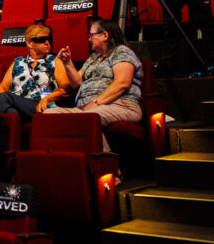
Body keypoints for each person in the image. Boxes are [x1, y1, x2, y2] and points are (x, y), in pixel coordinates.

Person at [46, 19, 144, 150]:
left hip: (122, 104)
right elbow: (76, 82)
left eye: (91, 35)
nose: (89, 39)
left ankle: (106, 165)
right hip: (87, 108)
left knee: (87, 119)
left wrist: (96, 103)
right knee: (49, 115)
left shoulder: (121, 51)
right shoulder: (94, 57)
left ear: (105, 35)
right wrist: (67, 63)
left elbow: (122, 83)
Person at [0, 24, 70, 121]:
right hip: (18, 105)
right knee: (12, 113)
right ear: (29, 43)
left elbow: (65, 88)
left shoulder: (55, 60)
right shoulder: (18, 62)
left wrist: (46, 99)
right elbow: (2, 87)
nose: (47, 42)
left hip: (40, 104)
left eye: (48, 39)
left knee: (5, 97)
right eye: (42, 39)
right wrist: (2, 102)